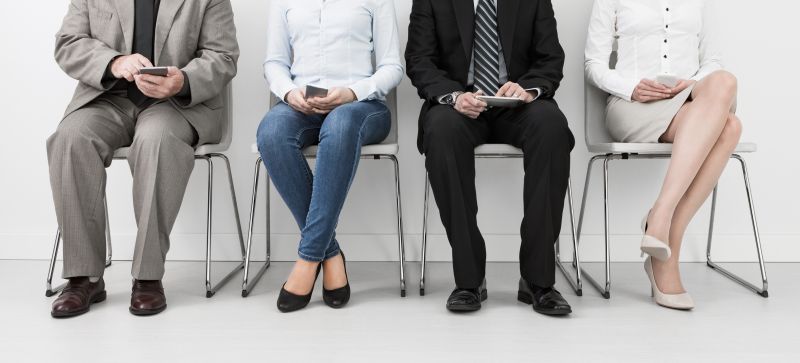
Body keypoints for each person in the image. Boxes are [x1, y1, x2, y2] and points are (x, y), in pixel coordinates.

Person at [48, 0, 239, 318]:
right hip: (108, 98)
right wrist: (113, 62)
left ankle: (148, 276)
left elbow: (223, 56)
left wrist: (183, 80)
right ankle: (84, 278)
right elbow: (68, 43)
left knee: (156, 140)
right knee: (70, 138)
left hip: (176, 103)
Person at [406, 0, 575, 315]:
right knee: (441, 131)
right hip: (460, 104)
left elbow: (550, 57)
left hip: (517, 104)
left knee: (552, 127)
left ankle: (538, 281)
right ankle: (469, 280)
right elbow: (419, 60)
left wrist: (528, 89)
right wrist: (455, 96)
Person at [585, 0, 740, 310]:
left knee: (725, 81)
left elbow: (713, 60)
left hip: (688, 103)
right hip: (631, 105)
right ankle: (664, 234)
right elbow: (594, 64)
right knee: (730, 127)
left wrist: (692, 83)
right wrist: (631, 87)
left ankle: (662, 222)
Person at [259, 0, 403, 313]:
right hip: (304, 101)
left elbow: (393, 67)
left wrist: (353, 92)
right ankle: (331, 253)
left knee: (340, 125)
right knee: (271, 133)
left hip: (362, 104)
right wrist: (289, 92)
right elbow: (274, 63)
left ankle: (308, 258)